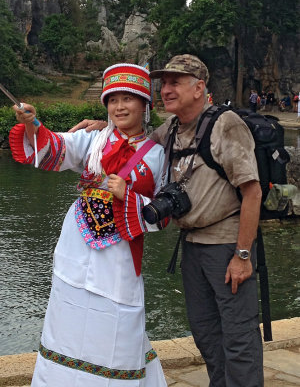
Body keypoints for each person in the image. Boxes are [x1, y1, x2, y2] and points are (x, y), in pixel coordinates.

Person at [73, 54, 264, 387]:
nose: (166, 89)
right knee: (206, 332)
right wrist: (104, 126)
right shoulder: (173, 127)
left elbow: (253, 192)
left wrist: (243, 255)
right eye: (164, 82)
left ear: (199, 87)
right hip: (191, 244)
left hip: (226, 245)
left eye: (176, 81)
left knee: (238, 338)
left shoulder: (225, 123)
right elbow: (137, 141)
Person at [9, 63, 167, 387]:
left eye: (128, 99)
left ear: (144, 104)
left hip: (120, 256)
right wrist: (32, 124)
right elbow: (57, 147)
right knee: (68, 316)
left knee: (119, 321)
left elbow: (165, 213)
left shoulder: (158, 155)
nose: (119, 107)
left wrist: (131, 197)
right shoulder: (94, 140)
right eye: (113, 100)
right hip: (75, 247)